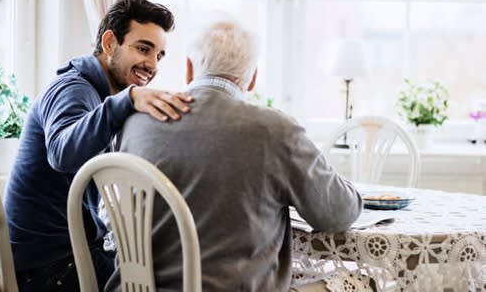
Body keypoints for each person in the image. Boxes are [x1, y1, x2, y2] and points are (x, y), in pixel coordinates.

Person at [105, 20, 362, 292]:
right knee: (360, 282)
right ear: (252, 78)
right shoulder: (275, 130)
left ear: (189, 69)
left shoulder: (133, 122)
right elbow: (338, 214)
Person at [4, 0, 194, 291]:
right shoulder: (73, 88)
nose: (152, 65)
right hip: (48, 268)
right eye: (143, 49)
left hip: (57, 258)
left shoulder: (95, 92)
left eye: (159, 55)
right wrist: (127, 100)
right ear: (109, 43)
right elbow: (62, 153)